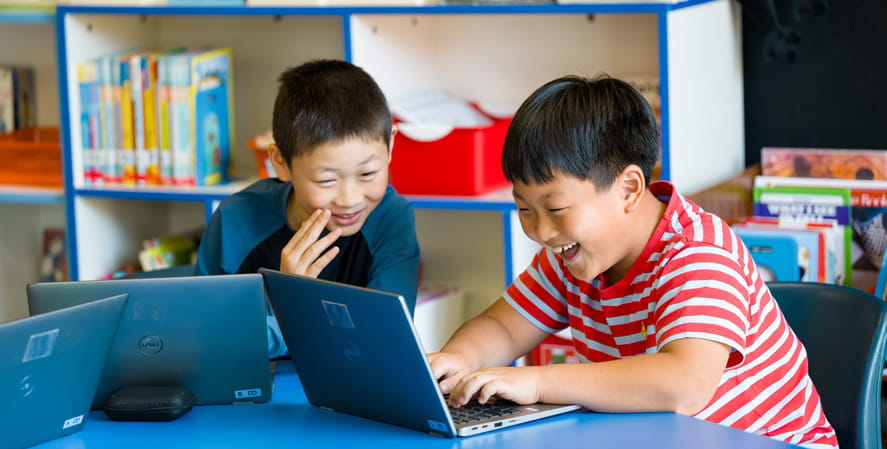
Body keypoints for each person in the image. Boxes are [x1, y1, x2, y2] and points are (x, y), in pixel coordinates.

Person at [429, 75, 837, 448]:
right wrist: (459, 359)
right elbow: (504, 324)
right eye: (524, 210)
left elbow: (685, 383)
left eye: (555, 209)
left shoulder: (697, 253)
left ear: (628, 188)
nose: (540, 231)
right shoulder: (570, 255)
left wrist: (537, 381)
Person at [194, 60, 420, 359]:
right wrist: (289, 299)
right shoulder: (237, 218)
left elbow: (388, 334)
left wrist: (296, 312)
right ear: (280, 163)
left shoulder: (390, 218)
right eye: (326, 180)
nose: (350, 198)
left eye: (368, 174)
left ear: (391, 146)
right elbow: (206, 338)